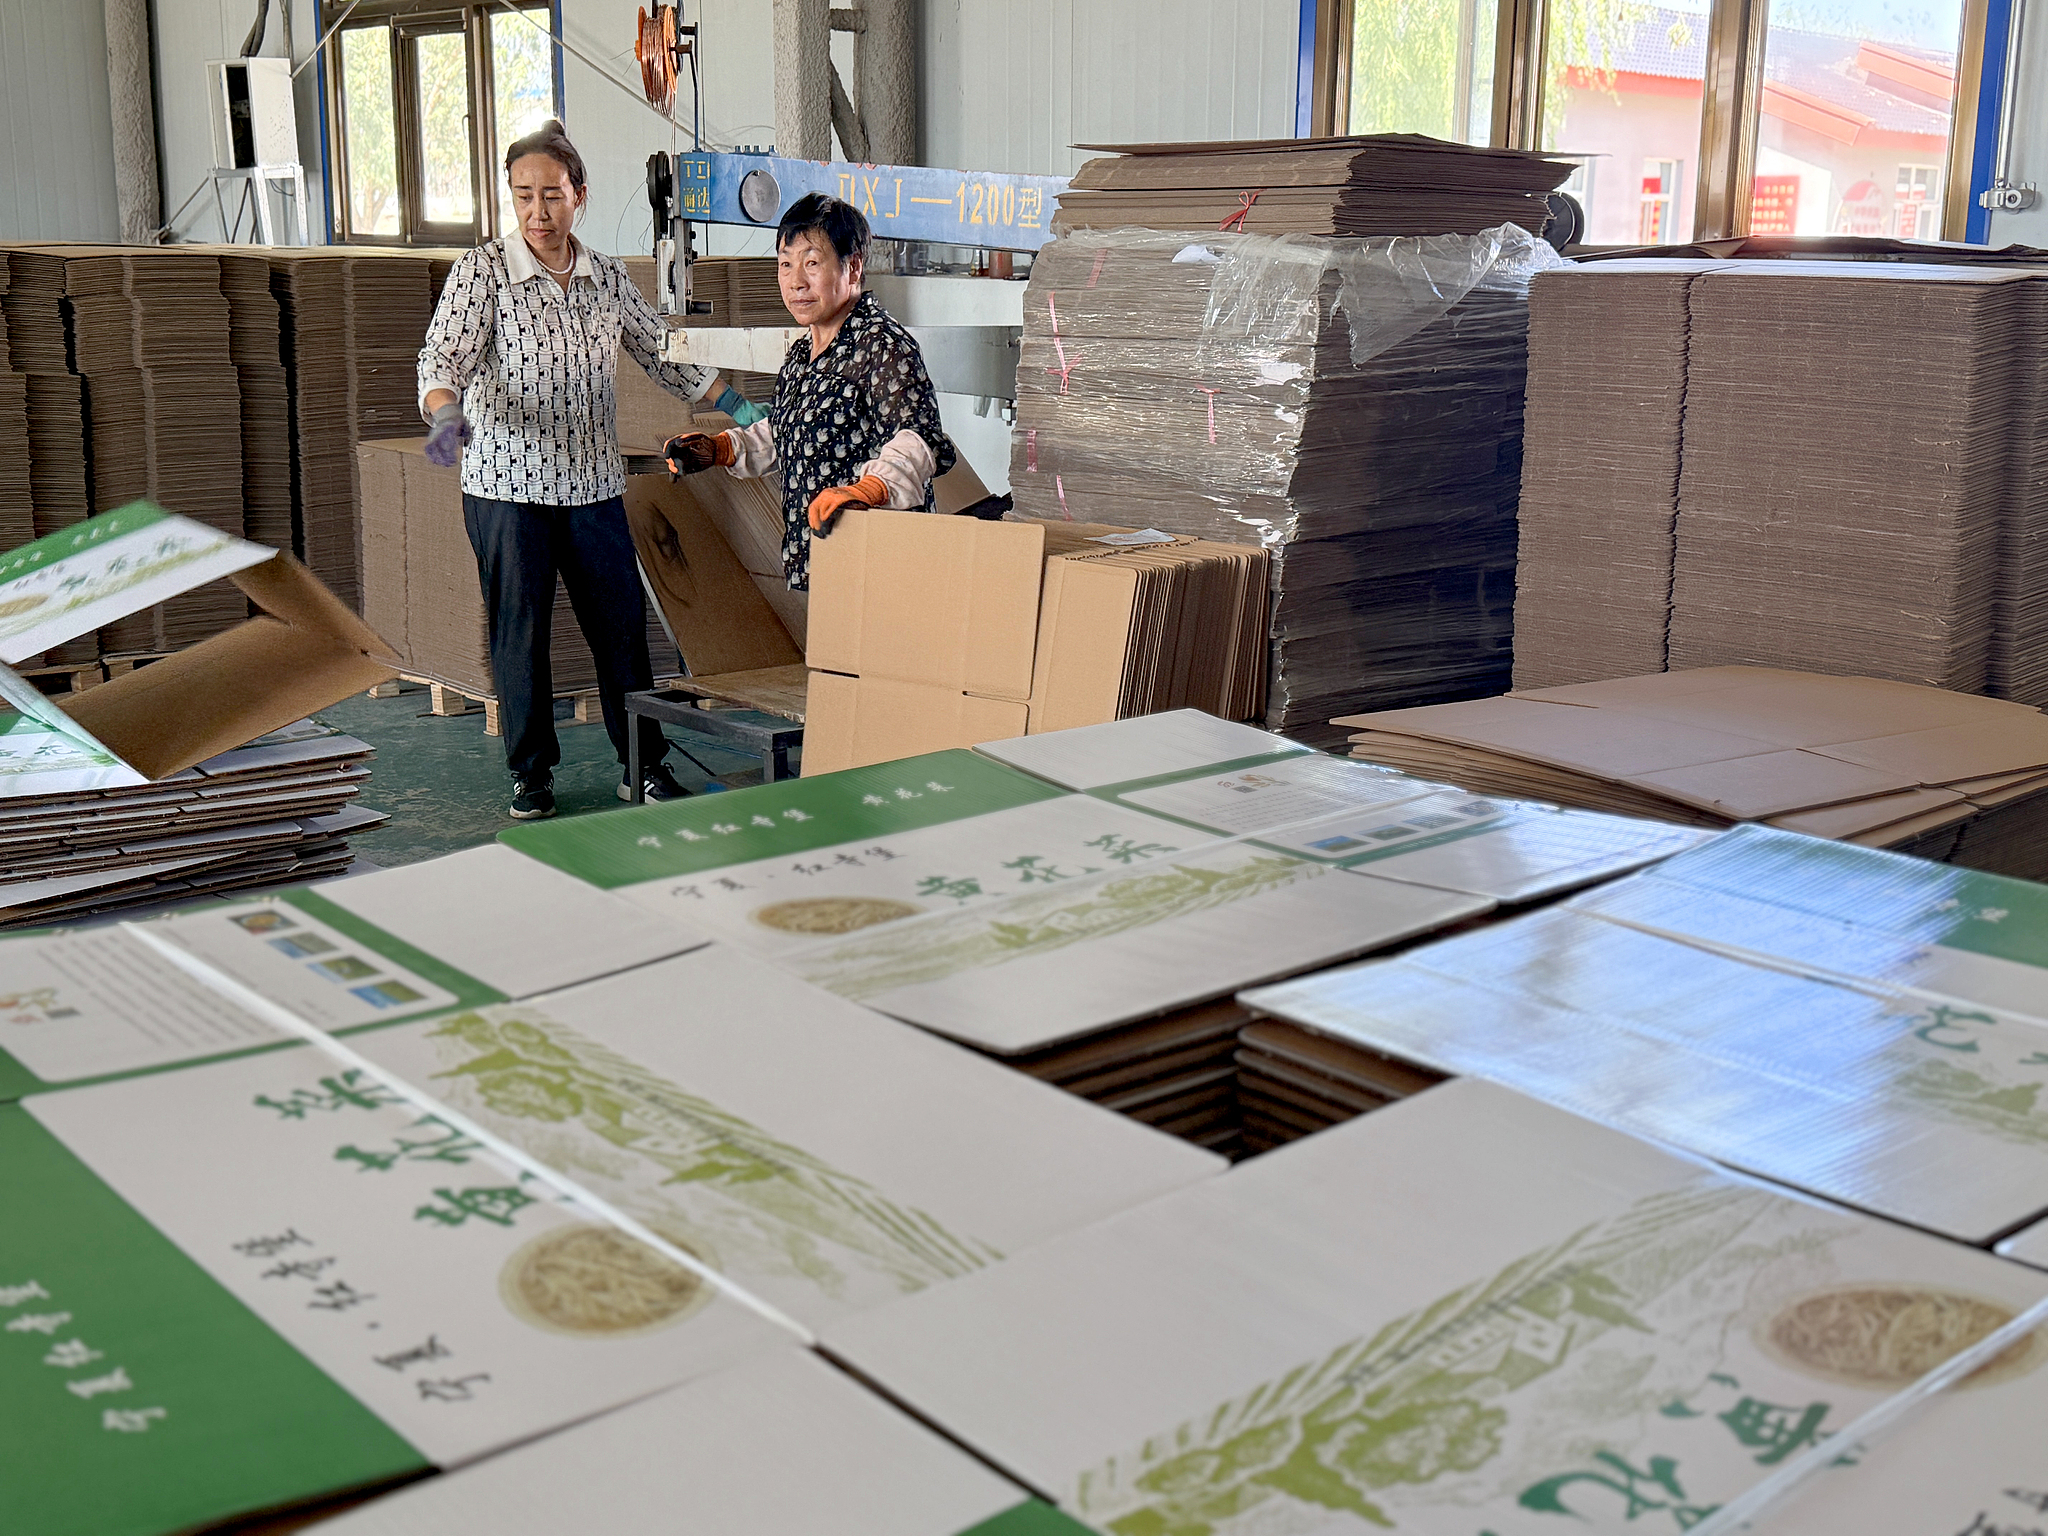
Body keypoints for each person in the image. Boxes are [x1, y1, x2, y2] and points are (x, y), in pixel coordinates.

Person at [416, 119, 762, 821]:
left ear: (580, 195)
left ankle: (644, 764)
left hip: (592, 485)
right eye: (522, 197)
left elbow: (660, 351)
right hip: (507, 488)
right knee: (522, 630)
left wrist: (730, 401)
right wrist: (446, 414)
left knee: (621, 629)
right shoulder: (482, 273)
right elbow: (439, 361)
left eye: (551, 195)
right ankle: (531, 775)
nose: (537, 213)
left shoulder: (605, 276)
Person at [663, 193, 957, 591]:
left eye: (812, 263)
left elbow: (917, 441)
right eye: (786, 265)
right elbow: (788, 429)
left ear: (852, 267)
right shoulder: (803, 354)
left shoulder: (882, 344)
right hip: (820, 562)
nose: (796, 281)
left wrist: (867, 490)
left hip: (882, 568)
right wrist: (722, 449)